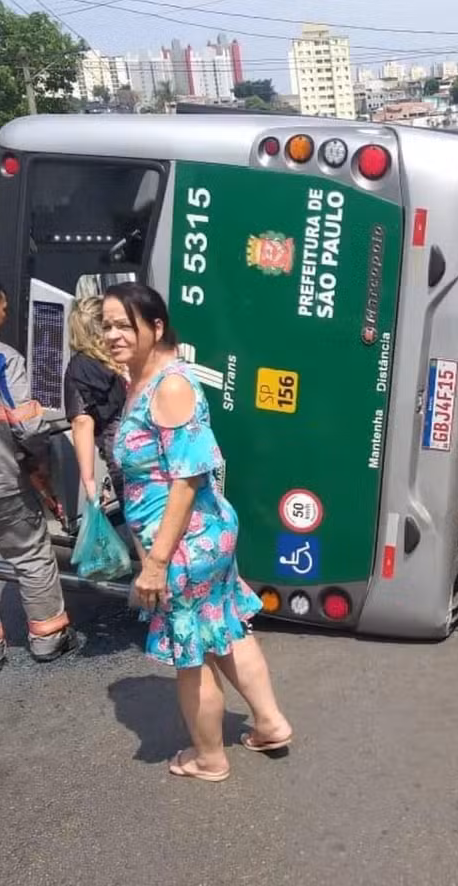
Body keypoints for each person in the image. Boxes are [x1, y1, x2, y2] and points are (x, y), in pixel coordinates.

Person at [103, 282, 290, 782]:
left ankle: (209, 757)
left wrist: (156, 563)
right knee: (225, 628)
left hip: (185, 544)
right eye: (107, 325)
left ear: (156, 326)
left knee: (193, 655)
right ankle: (270, 723)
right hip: (200, 537)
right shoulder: (145, 379)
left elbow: (187, 478)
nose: (113, 335)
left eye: (124, 325)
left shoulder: (170, 386)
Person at [0, 276, 77, 673]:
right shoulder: (1, 357)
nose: (5, 316)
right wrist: (39, 460)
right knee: (31, 556)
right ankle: (48, 638)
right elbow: (28, 427)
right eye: (4, 309)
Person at [64, 296, 127, 506]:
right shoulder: (126, 352)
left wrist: (89, 482)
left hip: (121, 450)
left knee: (142, 517)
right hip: (154, 443)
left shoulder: (78, 368)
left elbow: (82, 422)